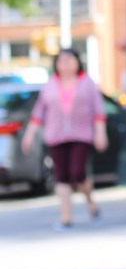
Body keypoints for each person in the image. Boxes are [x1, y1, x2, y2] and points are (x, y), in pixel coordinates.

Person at [20, 48, 108, 230]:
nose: (65, 65)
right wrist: (29, 135)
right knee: (61, 176)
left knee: (78, 173)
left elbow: (98, 110)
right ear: (56, 64)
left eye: (69, 60)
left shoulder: (87, 83)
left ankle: (90, 201)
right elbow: (39, 112)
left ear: (77, 62)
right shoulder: (50, 84)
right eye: (61, 61)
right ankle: (66, 218)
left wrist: (100, 133)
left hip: (81, 135)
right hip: (56, 136)